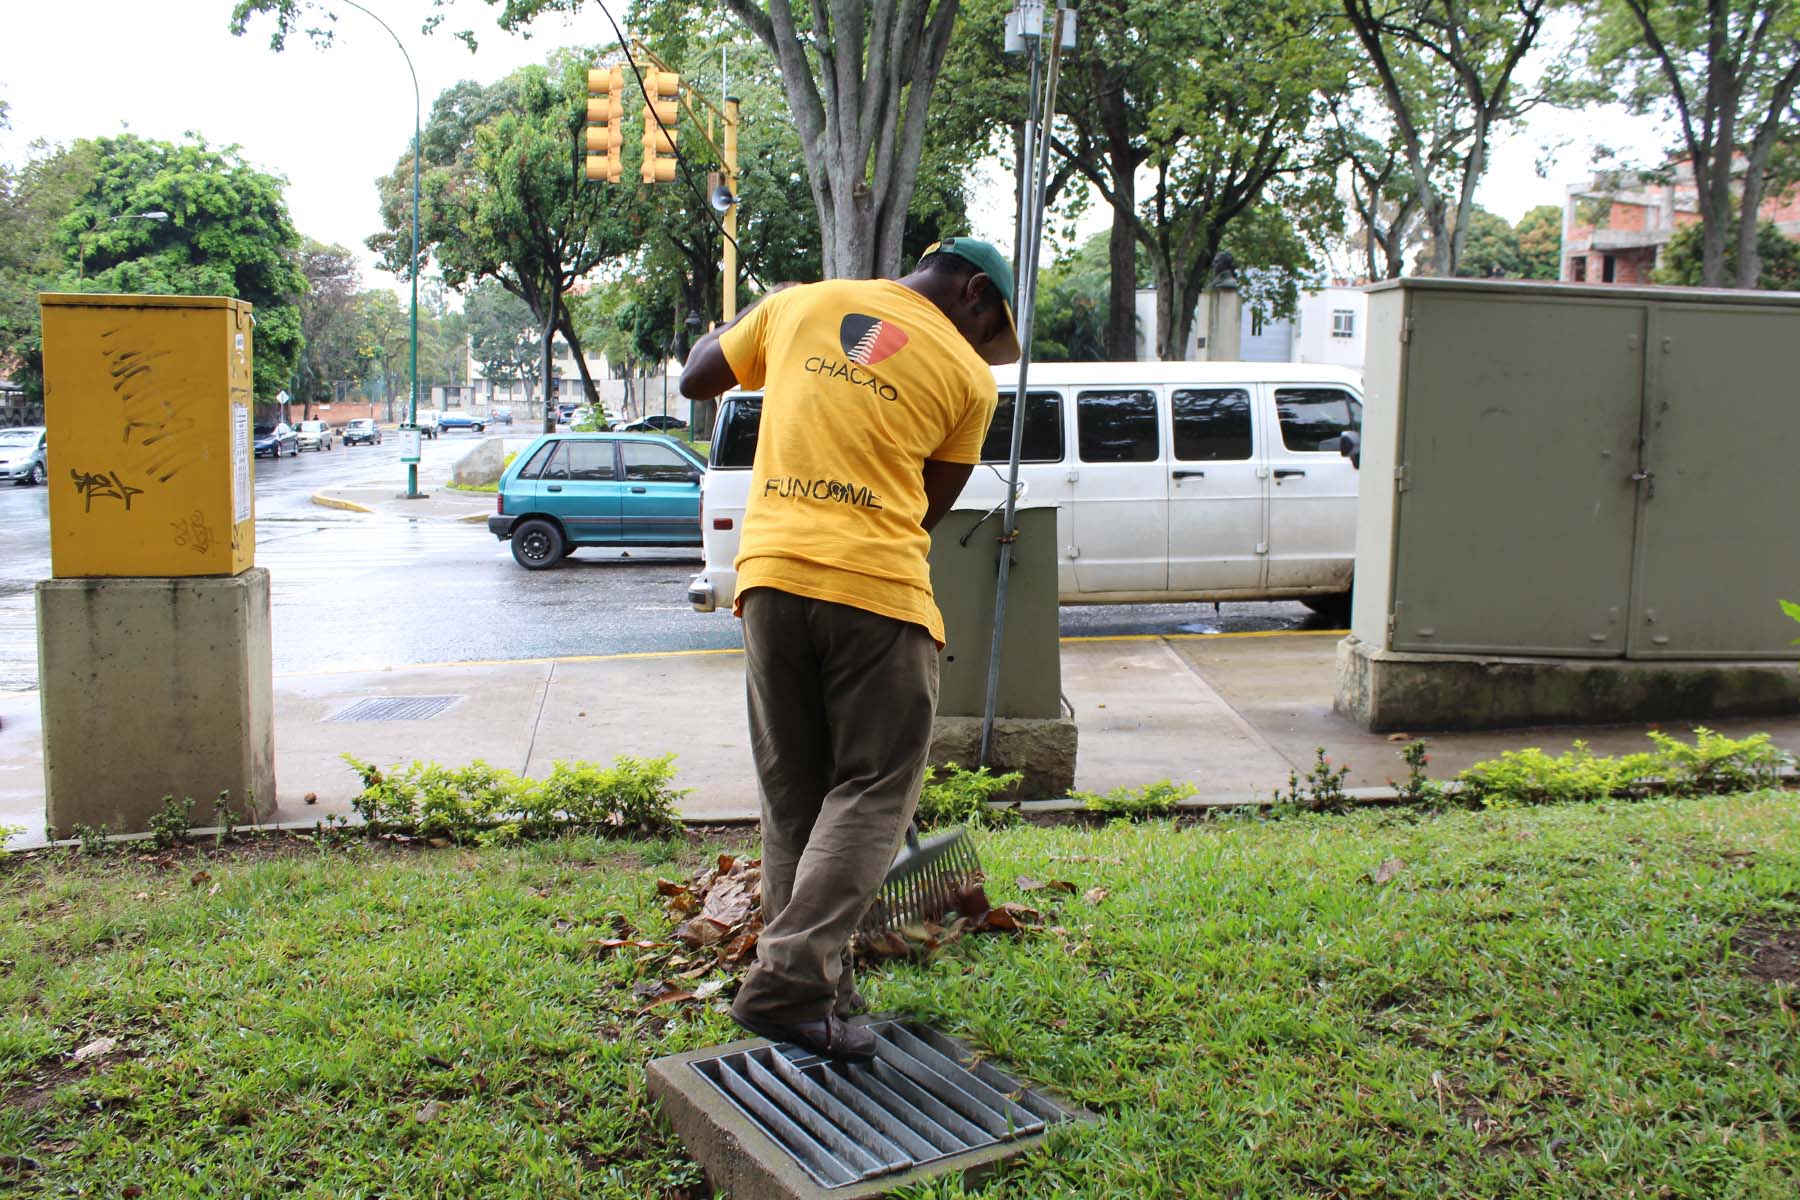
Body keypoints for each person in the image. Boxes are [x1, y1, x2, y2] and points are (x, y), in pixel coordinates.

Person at [678, 238, 1020, 1060]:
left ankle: (818, 992)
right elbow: (925, 511)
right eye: (988, 329)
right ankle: (789, 983)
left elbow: (697, 377)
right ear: (973, 292)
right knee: (873, 788)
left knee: (797, 797)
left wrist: (767, 309)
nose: (982, 351)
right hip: (878, 593)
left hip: (767, 582)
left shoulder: (803, 305)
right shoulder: (970, 381)